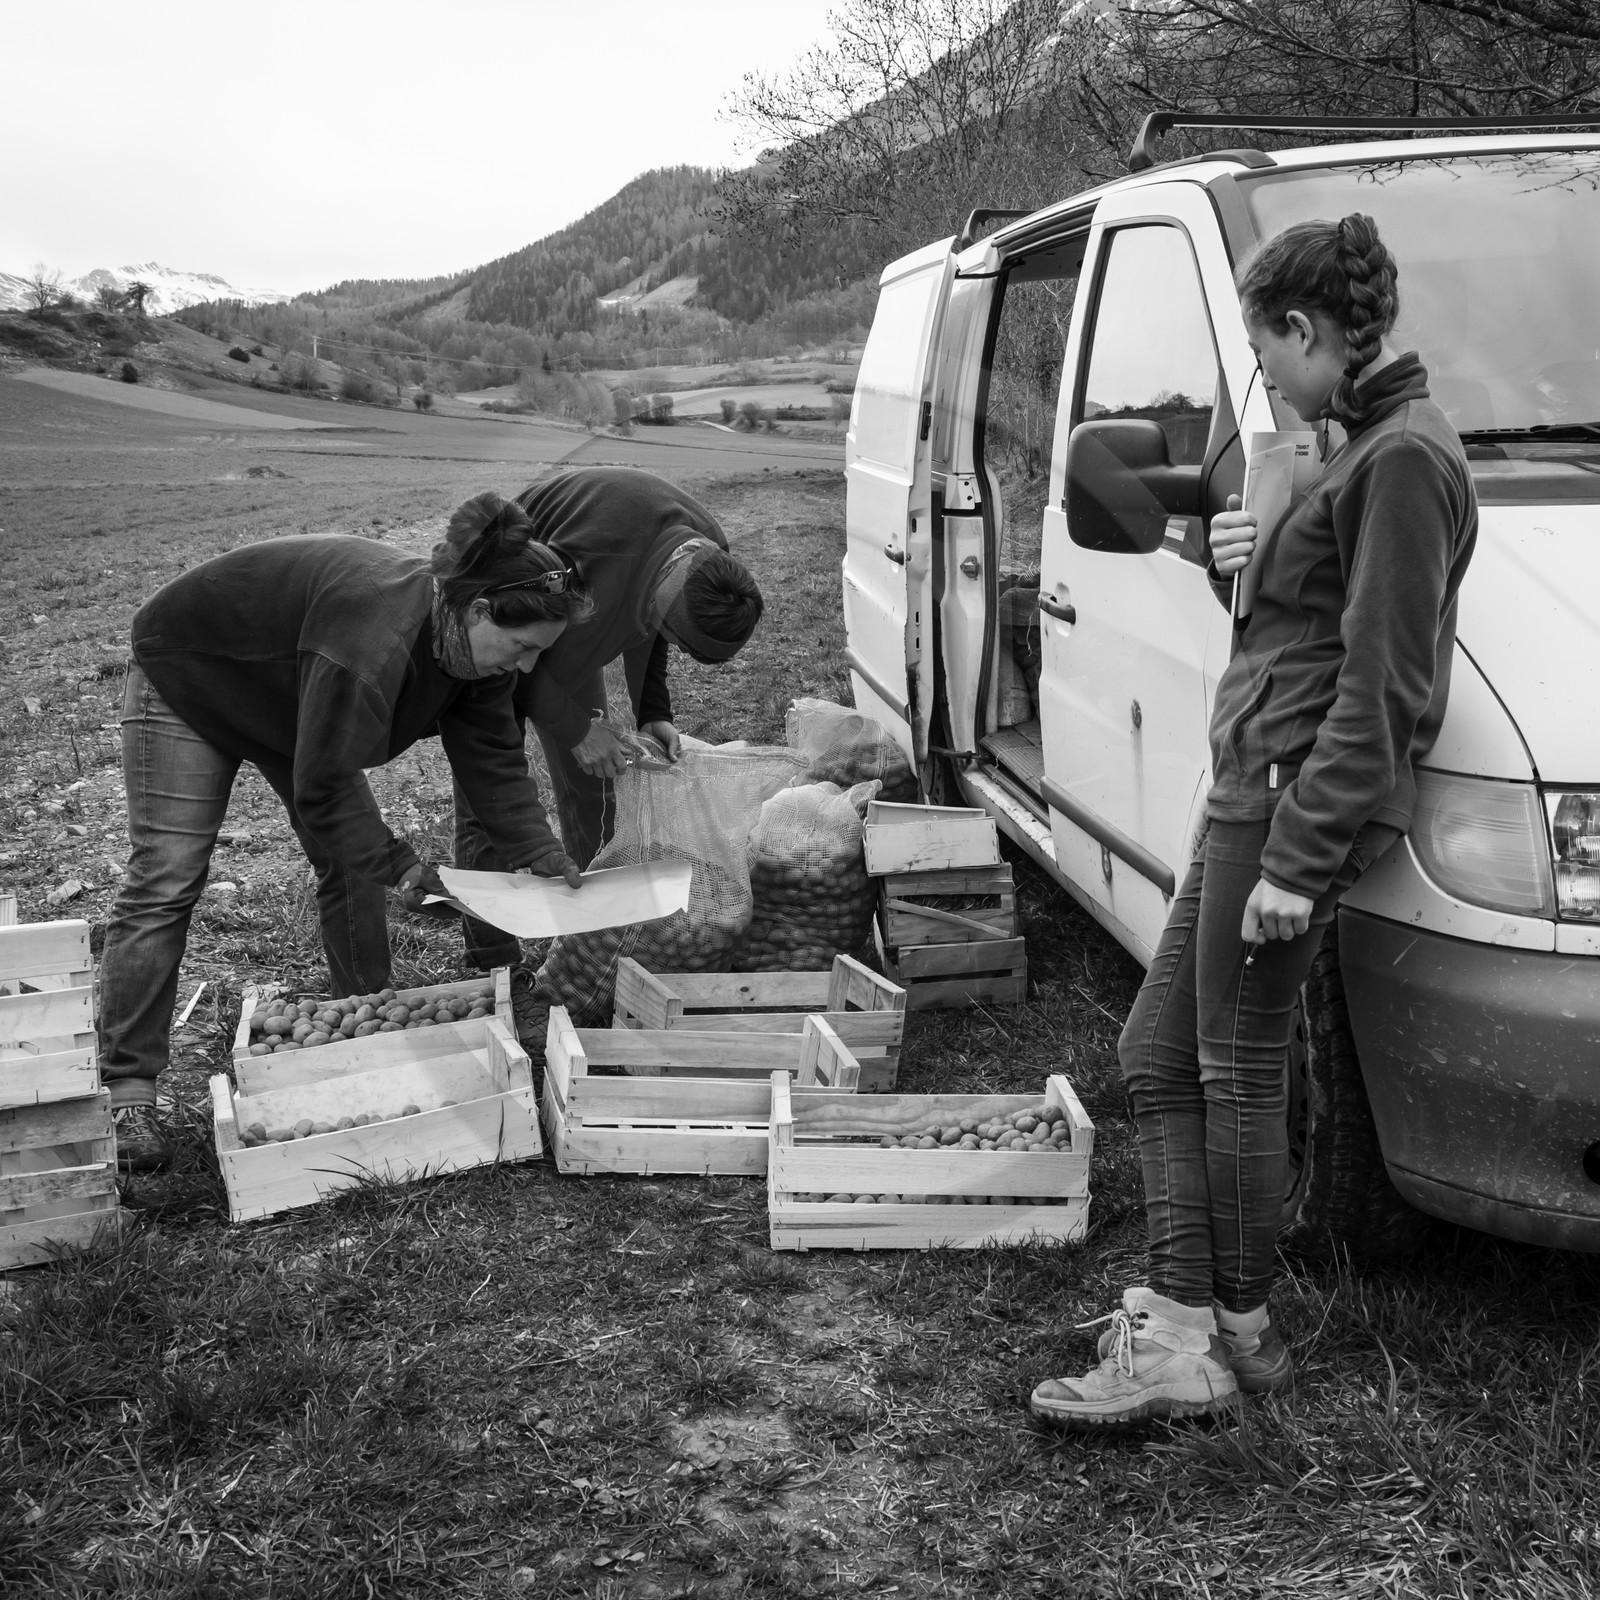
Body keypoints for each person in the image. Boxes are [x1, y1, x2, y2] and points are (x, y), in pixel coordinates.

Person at [1030, 214, 1478, 1430]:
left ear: (1309, 329)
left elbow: (1385, 687)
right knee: (1173, 1056)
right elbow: (1296, 613)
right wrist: (1230, 542)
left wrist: (1298, 856)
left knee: (1214, 1066)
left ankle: (1186, 1336)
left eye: (1263, 345)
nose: (1258, 372)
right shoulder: (1347, 441)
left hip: (1284, 798)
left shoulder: (1400, 459)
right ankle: (1226, 1329)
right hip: (1254, 781)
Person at [99, 492, 590, 1171]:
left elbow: (493, 761)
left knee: (350, 858)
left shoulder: (475, 653)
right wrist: (404, 867)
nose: (527, 665)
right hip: (194, 671)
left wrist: (538, 851)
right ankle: (128, 1091)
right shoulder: (372, 643)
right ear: (478, 610)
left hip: (289, 692)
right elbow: (325, 784)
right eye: (522, 646)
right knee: (169, 875)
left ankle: (363, 1025)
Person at [452, 467, 764, 970]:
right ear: (657, 603)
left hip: (583, 628)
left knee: (596, 780)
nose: (669, 640)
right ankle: (492, 960)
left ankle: (593, 929)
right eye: (675, 634)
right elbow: (522, 657)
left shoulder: (707, 556)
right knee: (489, 801)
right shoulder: (588, 557)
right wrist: (577, 730)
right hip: (505, 628)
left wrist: (653, 713)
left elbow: (655, 629)